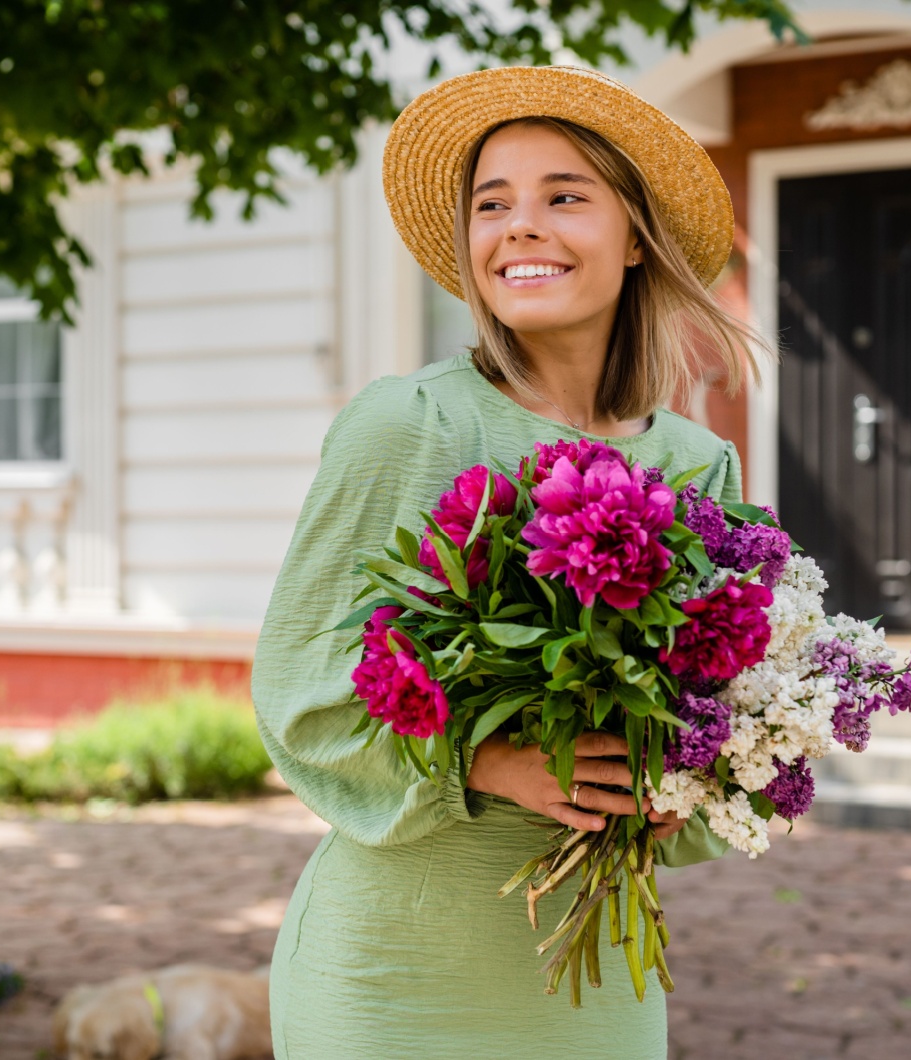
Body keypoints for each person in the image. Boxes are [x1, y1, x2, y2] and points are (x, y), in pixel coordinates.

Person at [252, 65, 766, 1058]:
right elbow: (300, 685)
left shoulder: (700, 466)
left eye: (563, 196)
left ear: (634, 237)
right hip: (392, 978)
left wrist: (683, 785)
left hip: (601, 986)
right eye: (493, 205)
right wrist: (486, 762)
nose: (519, 226)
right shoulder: (411, 423)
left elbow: (735, 719)